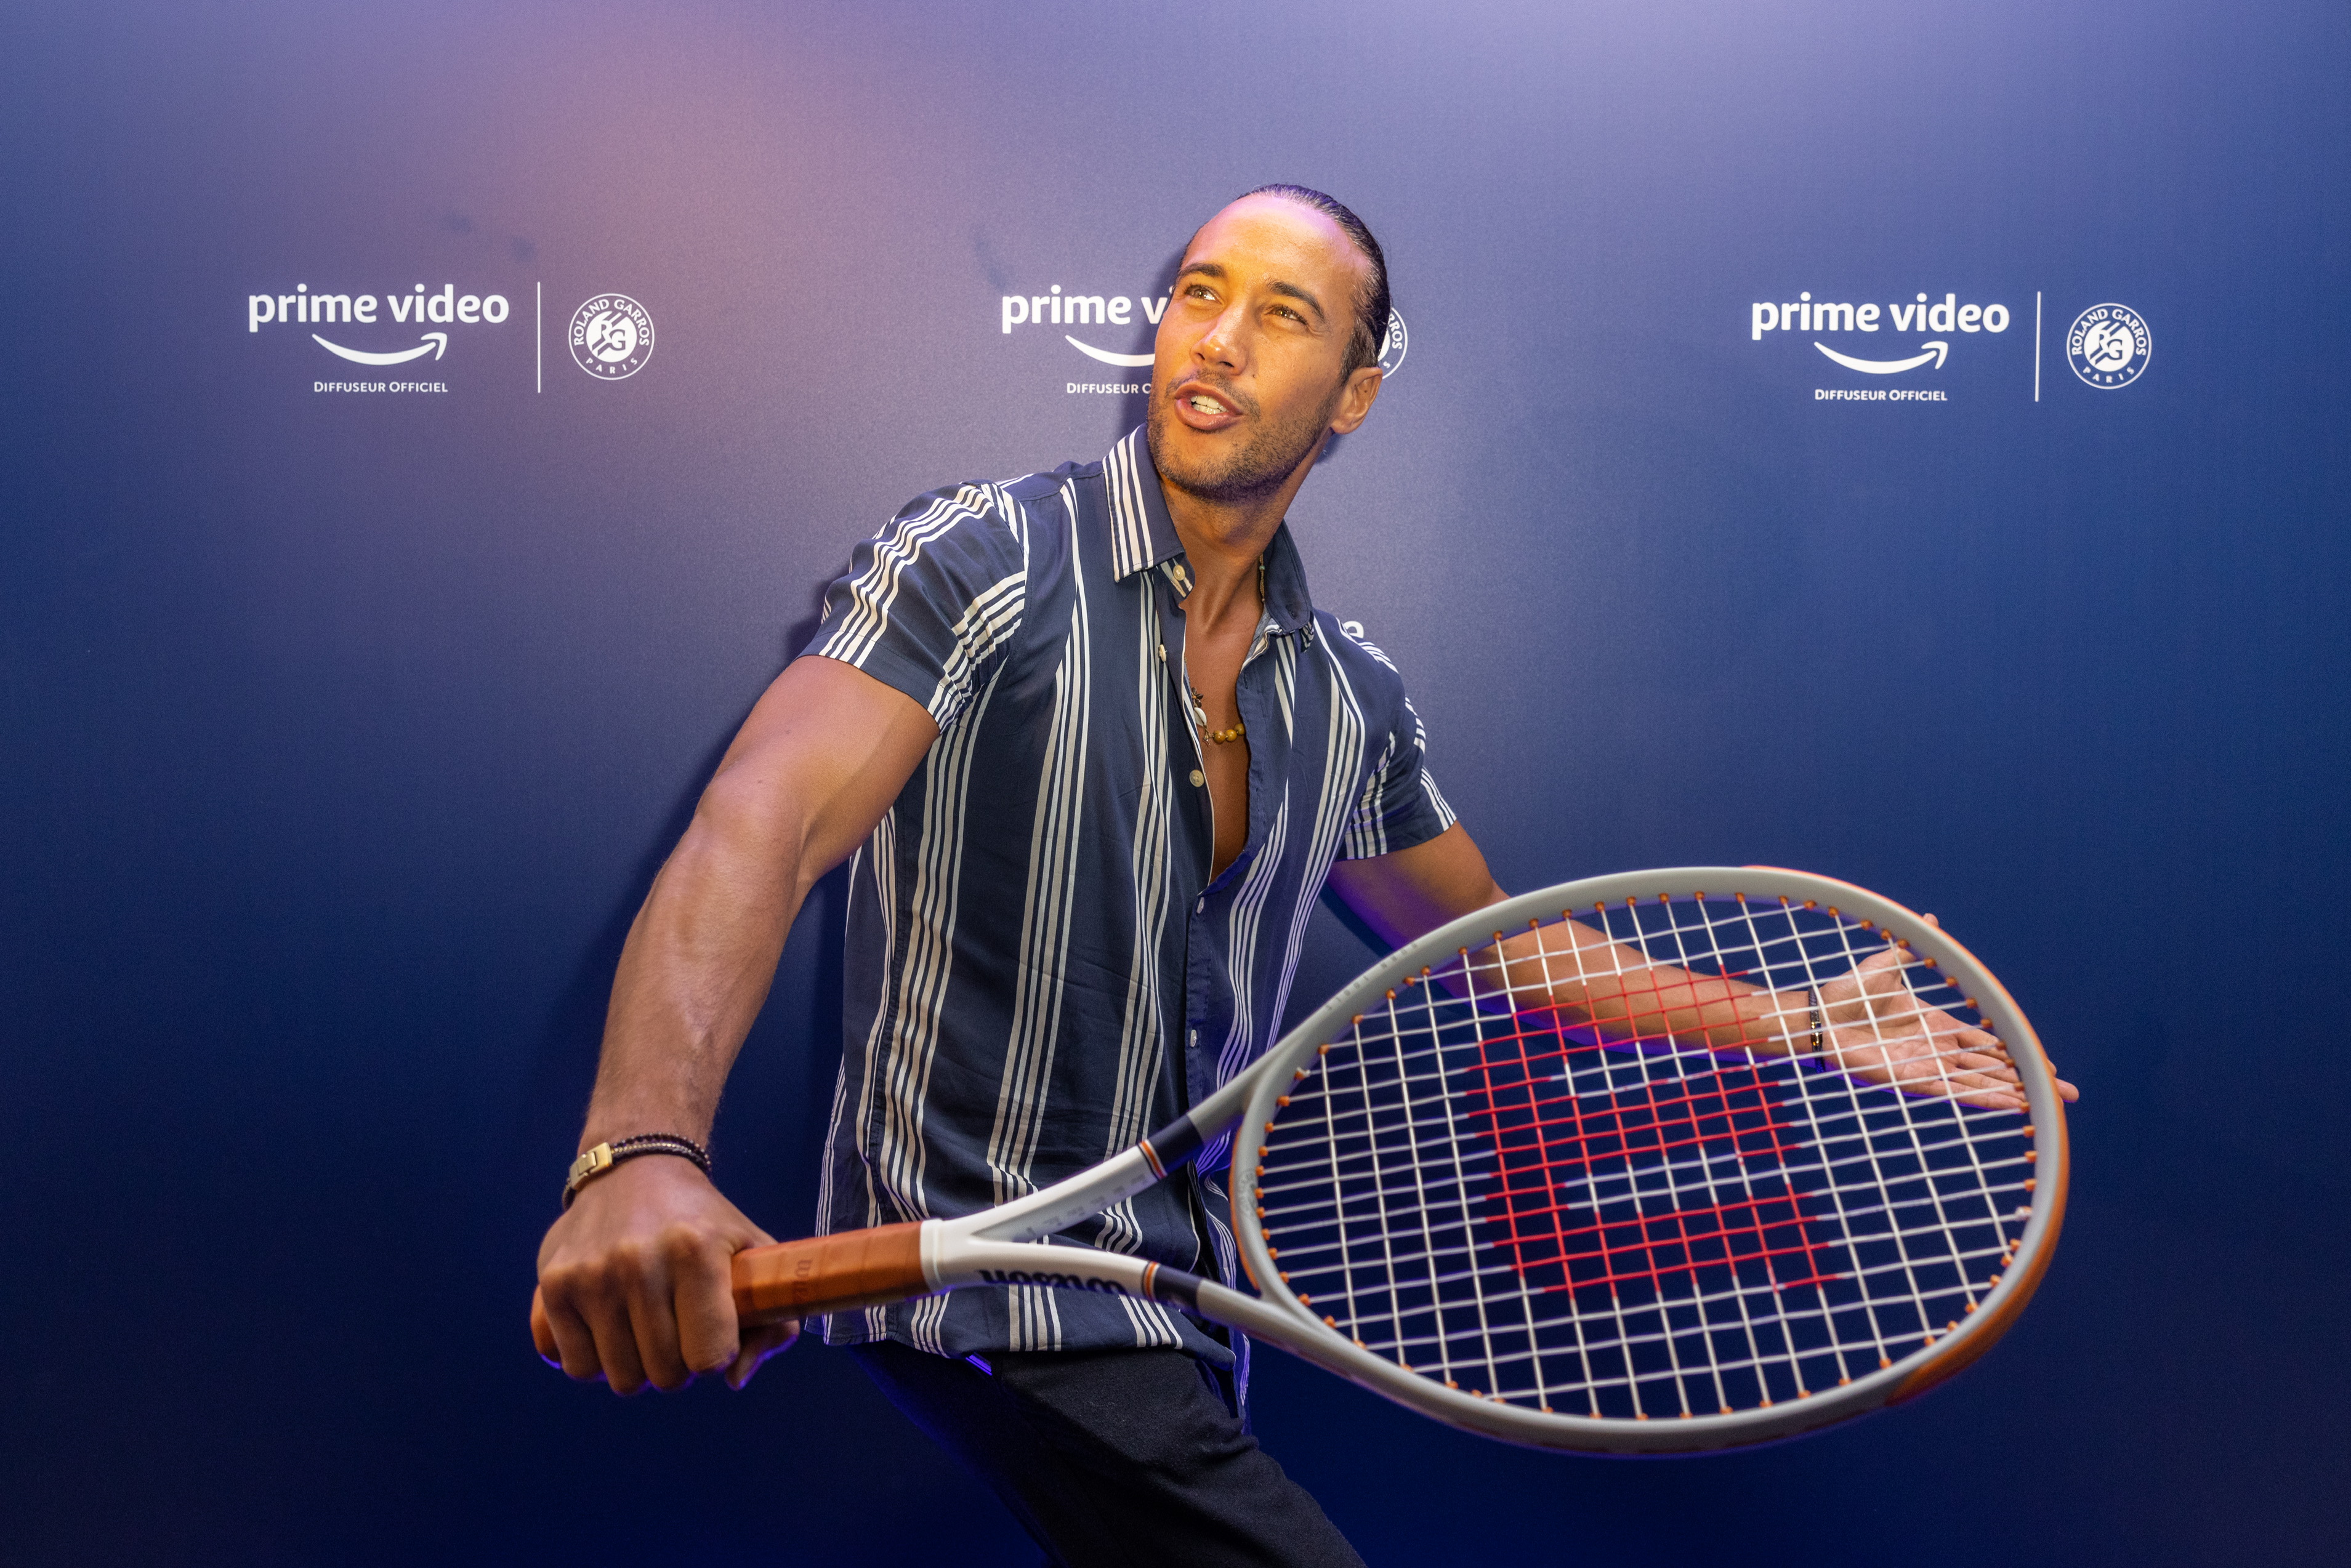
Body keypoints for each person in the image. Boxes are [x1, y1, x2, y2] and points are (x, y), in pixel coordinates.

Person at [533, 185, 2059, 1566]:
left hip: (1173, 1311)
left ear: (1353, 392)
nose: (1216, 338)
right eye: (1200, 292)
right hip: (986, 1297)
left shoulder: (1347, 697)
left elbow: (1499, 946)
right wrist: (640, 1148)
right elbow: (763, 823)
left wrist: (1799, 1021)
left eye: (1283, 313)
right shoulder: (983, 558)